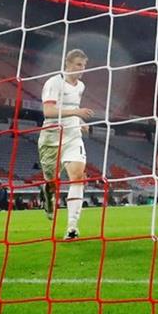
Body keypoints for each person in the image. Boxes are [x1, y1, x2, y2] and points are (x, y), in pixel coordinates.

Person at [37, 49, 94, 240]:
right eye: (78, 64)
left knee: (77, 176)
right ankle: (48, 196)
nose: (82, 69)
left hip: (72, 136)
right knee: (51, 183)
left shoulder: (81, 86)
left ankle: (72, 227)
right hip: (51, 139)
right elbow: (48, 111)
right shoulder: (54, 82)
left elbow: (71, 110)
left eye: (84, 65)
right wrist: (77, 113)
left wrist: (79, 122)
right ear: (67, 64)